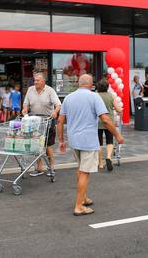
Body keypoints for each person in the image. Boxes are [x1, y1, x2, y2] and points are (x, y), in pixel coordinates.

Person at [58, 75, 124, 216]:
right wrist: (117, 135)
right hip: (88, 140)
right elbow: (105, 119)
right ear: (91, 84)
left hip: (74, 139)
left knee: (80, 169)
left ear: (79, 83)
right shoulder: (94, 97)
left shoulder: (68, 98)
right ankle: (79, 206)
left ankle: (84, 198)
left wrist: (61, 140)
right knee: (85, 172)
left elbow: (60, 120)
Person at [22, 72, 61, 177]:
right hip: (34, 120)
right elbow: (26, 103)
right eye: (35, 80)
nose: (35, 82)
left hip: (48, 119)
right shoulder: (30, 90)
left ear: (43, 81)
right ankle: (39, 168)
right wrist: (25, 109)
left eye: (38, 80)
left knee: (47, 145)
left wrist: (55, 112)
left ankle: (51, 167)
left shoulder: (50, 91)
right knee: (36, 145)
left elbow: (58, 104)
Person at [96, 79, 121, 171]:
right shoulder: (111, 96)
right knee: (109, 140)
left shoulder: (95, 96)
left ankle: (100, 163)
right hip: (109, 121)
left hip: (98, 121)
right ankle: (109, 157)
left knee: (99, 142)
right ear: (107, 87)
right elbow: (118, 109)